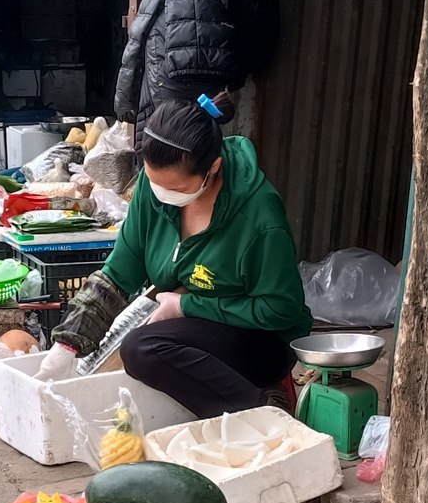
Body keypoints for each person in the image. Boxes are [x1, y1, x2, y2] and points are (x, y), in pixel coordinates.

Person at [43, 94, 311, 418]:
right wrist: (69, 342)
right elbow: (121, 270)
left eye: (177, 189)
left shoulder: (259, 219)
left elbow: (281, 310)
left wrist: (185, 306)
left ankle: (262, 411)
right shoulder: (153, 188)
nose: (163, 196)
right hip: (199, 328)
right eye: (155, 183)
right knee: (139, 345)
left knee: (141, 349)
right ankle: (233, 402)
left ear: (213, 168)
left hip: (259, 339)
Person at [115, 0, 280, 133]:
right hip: (178, 73)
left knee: (172, 140)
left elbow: (138, 35)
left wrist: (124, 100)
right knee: (176, 141)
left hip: (177, 73)